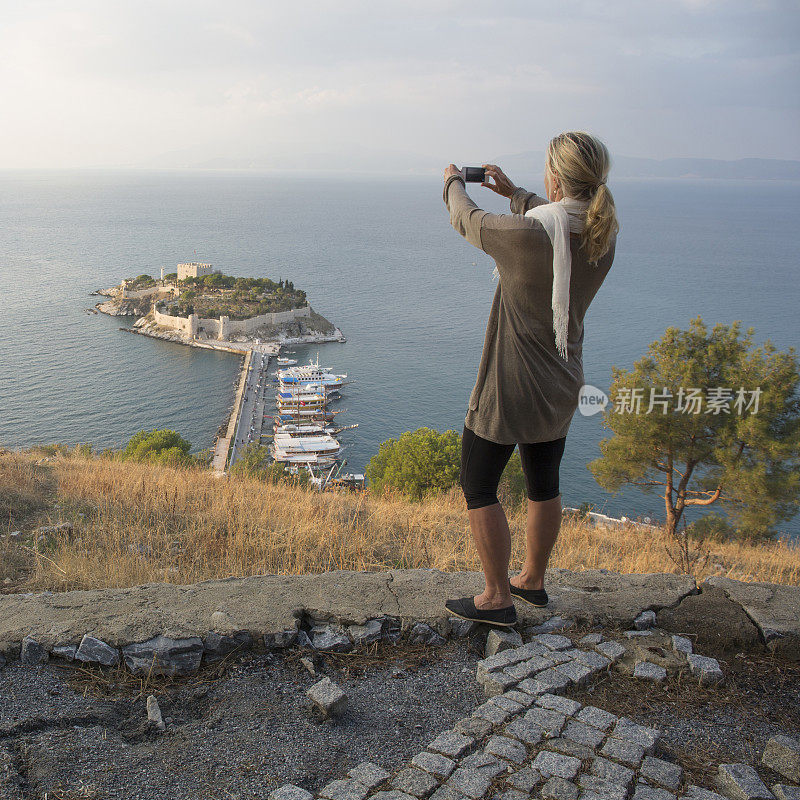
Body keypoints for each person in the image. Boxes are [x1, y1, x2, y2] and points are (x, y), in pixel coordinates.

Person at [442, 131, 619, 627]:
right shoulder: (602, 237)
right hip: (563, 378)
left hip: (511, 380)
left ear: (556, 177)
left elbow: (468, 219)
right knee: (544, 480)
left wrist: (453, 182)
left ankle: (497, 597)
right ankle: (532, 582)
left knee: (478, 481)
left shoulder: (525, 237)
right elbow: (562, 219)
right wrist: (518, 194)